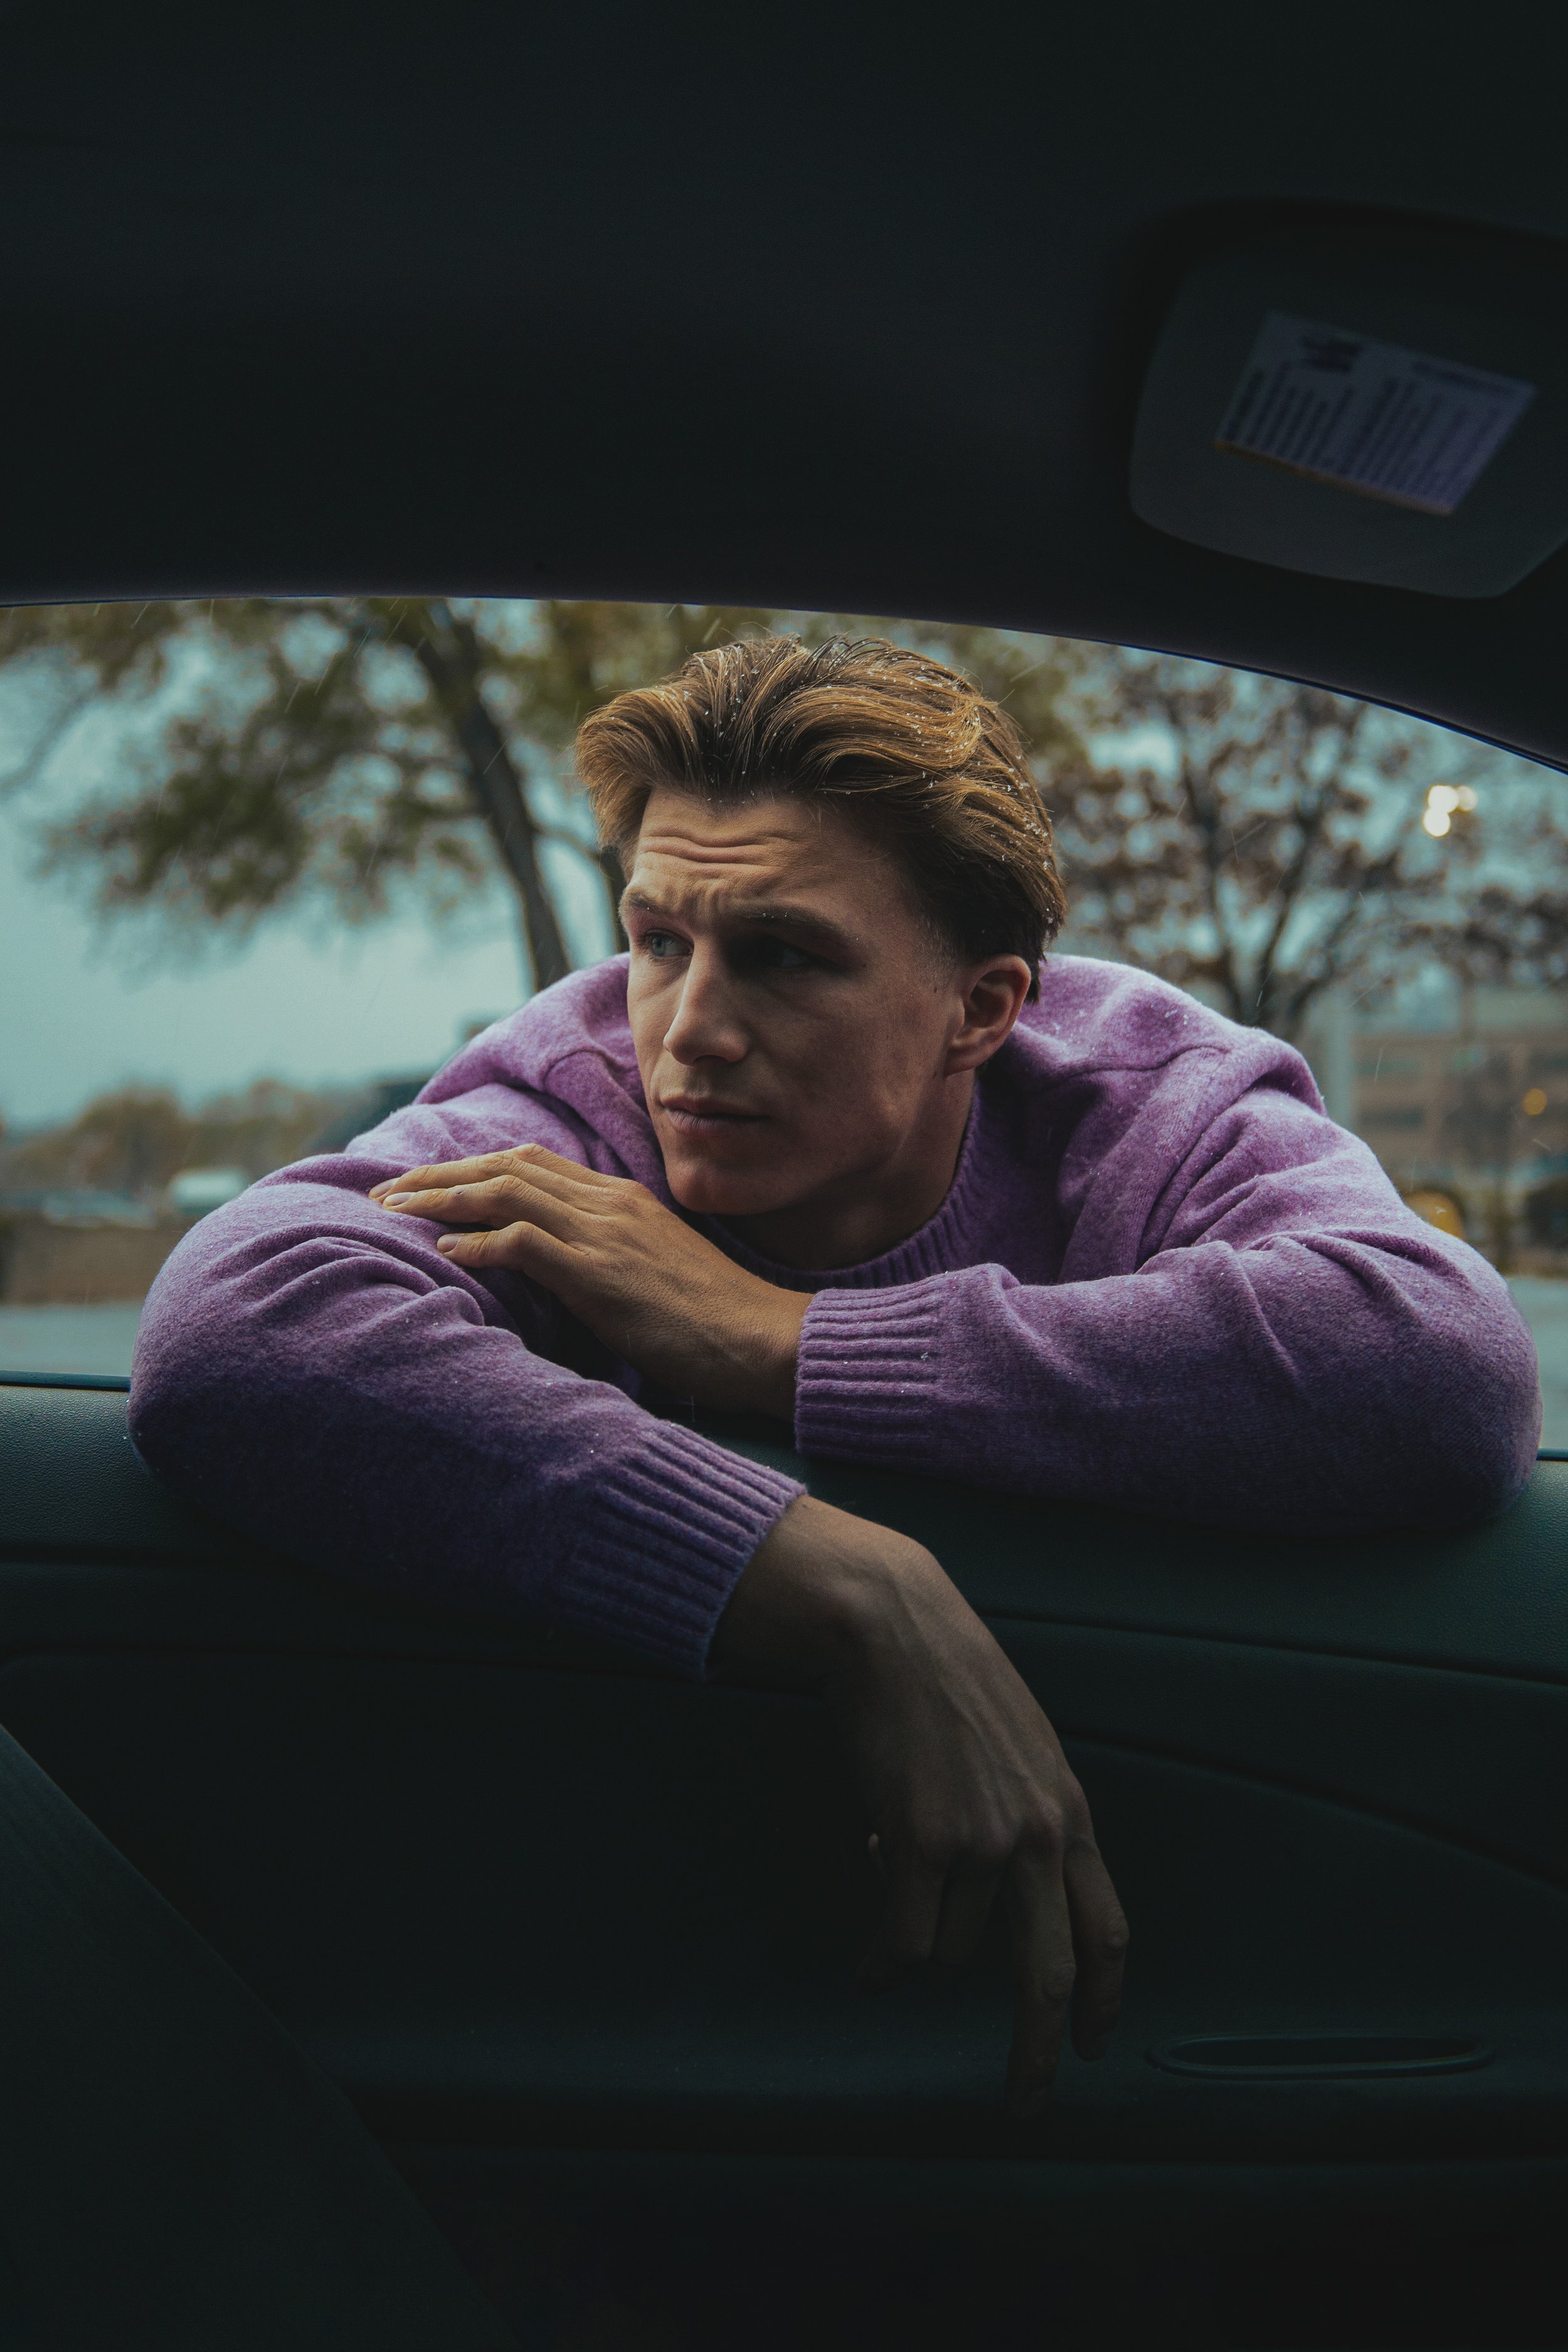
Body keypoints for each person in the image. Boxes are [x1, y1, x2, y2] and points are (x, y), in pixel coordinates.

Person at [130, 635, 1541, 2118]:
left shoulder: (1138, 1092)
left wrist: (777, 1343)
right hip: (637, 2002)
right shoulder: (573, 1094)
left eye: (785, 957)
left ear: (979, 1009)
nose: (689, 1029)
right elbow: (238, 1326)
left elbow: (1436, 1368)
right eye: (657, 939)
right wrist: (837, 1581)